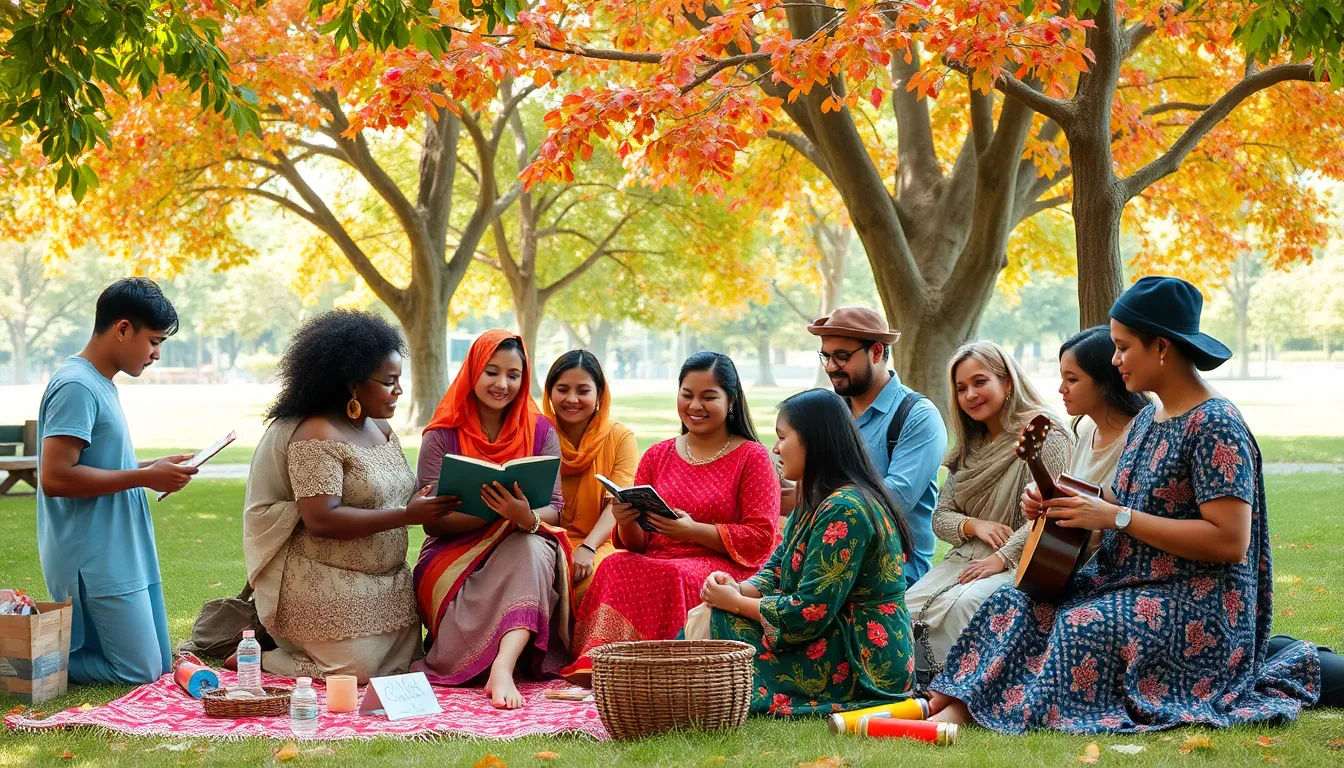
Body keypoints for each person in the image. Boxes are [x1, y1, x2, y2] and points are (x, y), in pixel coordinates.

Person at [928, 276, 1322, 732]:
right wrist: (1058, 503)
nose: (1114, 360)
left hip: (1198, 602)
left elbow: (1230, 542)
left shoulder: (1215, 424)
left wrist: (1116, 518)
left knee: (1079, 626)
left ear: (1161, 348)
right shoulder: (1147, 420)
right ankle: (943, 701)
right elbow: (1116, 499)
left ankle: (970, 709)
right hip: (1128, 581)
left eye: (1122, 347)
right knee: (1013, 603)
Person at [241, 311, 454, 683]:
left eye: (399, 380)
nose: (399, 391)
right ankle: (263, 658)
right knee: (353, 672)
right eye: (389, 382)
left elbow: (394, 490)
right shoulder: (315, 435)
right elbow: (321, 520)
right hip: (322, 579)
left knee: (401, 668)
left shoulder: (381, 428)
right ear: (354, 385)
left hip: (389, 581)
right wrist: (406, 515)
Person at [563, 352, 781, 680]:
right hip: (659, 558)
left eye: (709, 397)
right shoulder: (657, 455)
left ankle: (657, 668)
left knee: (671, 575)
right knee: (614, 564)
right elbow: (637, 545)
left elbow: (761, 538)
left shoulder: (752, 457)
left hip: (722, 566)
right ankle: (604, 660)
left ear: (731, 400)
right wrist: (625, 519)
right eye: (687, 395)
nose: (695, 406)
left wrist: (693, 531)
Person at [699, 389, 917, 716]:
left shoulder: (846, 509)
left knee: (721, 624)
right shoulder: (817, 499)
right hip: (833, 633)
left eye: (782, 437)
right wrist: (735, 588)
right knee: (717, 616)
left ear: (813, 442)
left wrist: (734, 603)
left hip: (864, 656)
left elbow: (809, 612)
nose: (775, 448)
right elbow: (776, 569)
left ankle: (678, 689)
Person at [36, 278, 196, 685]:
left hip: (124, 548)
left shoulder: (99, 383)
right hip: (93, 557)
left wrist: (151, 467)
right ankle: (20, 656)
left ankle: (58, 648)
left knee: (160, 664)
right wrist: (144, 476)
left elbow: (99, 462)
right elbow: (55, 477)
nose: (157, 354)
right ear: (123, 329)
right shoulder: (76, 384)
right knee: (138, 670)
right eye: (154, 341)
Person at [411, 330, 572, 709]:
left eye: (513, 375)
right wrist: (488, 515)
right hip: (454, 550)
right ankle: (473, 658)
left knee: (532, 548)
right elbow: (432, 522)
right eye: (492, 372)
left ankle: (503, 665)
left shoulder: (541, 431)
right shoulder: (441, 434)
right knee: (524, 548)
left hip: (521, 535)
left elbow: (555, 506)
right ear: (472, 372)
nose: (502, 384)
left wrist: (523, 516)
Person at [904, 340, 1071, 674]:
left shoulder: (1045, 433)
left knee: (965, 605)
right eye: (961, 388)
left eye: (980, 382)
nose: (970, 395)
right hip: (967, 557)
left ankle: (958, 686)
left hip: (1025, 559)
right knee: (905, 608)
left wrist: (1002, 556)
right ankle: (912, 682)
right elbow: (940, 516)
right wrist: (974, 525)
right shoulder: (971, 445)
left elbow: (1054, 511)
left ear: (1007, 381)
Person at [806, 307, 946, 585]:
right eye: (826, 356)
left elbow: (897, 498)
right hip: (824, 559)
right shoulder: (830, 414)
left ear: (877, 352)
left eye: (842, 356)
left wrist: (815, 496)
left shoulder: (917, 415)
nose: (831, 366)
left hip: (892, 570)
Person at [1020, 326, 1149, 556]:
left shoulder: (1142, 435)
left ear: (1106, 382)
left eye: (1072, 379)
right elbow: (1076, 503)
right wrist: (1043, 503)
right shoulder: (1086, 430)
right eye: (1062, 377)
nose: (1061, 389)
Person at [542, 350, 638, 601]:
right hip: (542, 541)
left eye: (583, 391)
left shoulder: (619, 437)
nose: (571, 399)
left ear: (599, 395)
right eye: (562, 389)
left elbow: (617, 504)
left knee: (600, 579)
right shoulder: (536, 433)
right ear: (549, 392)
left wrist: (587, 547)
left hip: (601, 542)